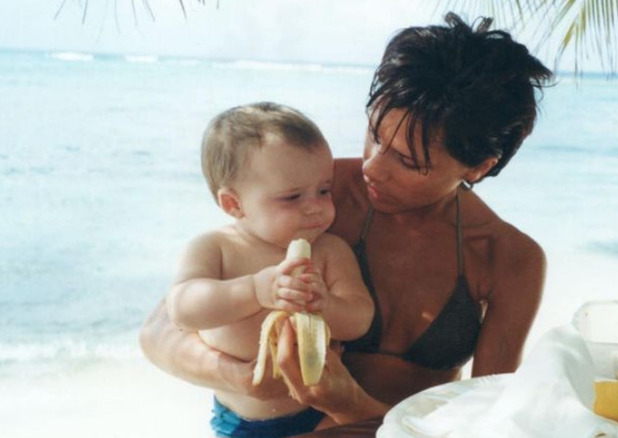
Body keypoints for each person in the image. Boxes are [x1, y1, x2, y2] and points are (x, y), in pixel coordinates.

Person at [140, 12, 553, 429]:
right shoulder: (317, 194)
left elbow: (491, 421)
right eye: (374, 133)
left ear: (478, 167)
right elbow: (160, 332)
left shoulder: (509, 259)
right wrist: (242, 379)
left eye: (407, 161)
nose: (373, 166)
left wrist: (349, 403)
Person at [162, 101, 374, 437]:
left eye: (323, 190)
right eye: (292, 198)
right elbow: (183, 309)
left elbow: (360, 318)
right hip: (242, 420)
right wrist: (256, 290)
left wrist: (327, 305)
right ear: (234, 204)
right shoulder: (216, 247)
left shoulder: (330, 251)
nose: (315, 208)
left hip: (320, 413)